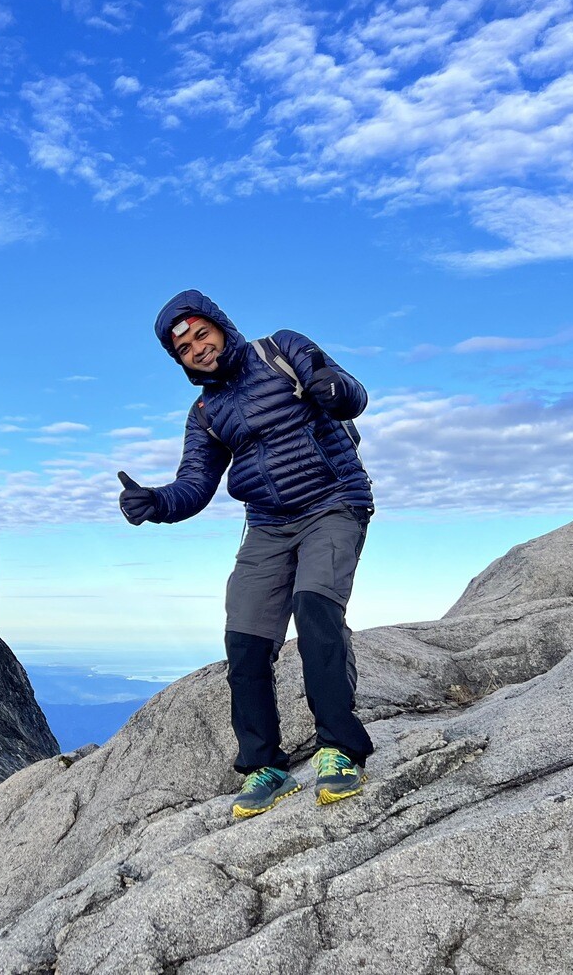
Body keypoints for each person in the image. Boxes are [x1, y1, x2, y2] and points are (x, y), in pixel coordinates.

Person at [117, 289, 375, 818]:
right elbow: (194, 485)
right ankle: (265, 765)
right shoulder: (206, 413)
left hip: (333, 503)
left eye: (200, 333)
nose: (197, 347)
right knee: (245, 638)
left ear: (220, 326)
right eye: (183, 346)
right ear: (179, 359)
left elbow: (352, 393)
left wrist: (335, 390)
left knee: (316, 610)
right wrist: (156, 503)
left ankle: (340, 751)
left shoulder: (280, 350)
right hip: (268, 526)